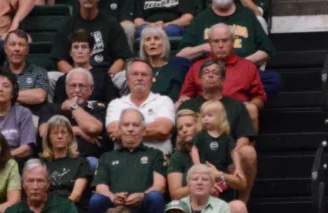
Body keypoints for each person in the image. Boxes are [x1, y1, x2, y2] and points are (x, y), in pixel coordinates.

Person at [178, 58, 258, 203]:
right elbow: (181, 136)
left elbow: (244, 138)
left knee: (248, 152)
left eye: (215, 73)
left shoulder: (237, 106)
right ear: (199, 80)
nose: (210, 75)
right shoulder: (188, 105)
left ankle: (242, 204)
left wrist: (228, 155)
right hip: (197, 155)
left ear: (222, 80)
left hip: (227, 158)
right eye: (206, 72)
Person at [90, 109, 167, 213]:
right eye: (126, 125)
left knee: (155, 197)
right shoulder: (106, 157)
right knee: (96, 200)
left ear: (143, 130)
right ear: (119, 129)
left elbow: (160, 186)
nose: (130, 129)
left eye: (135, 125)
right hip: (113, 207)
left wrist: (143, 195)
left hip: (143, 205)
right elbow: (100, 186)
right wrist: (113, 197)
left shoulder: (155, 154)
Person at [178, 0, 280, 99]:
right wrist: (203, 48)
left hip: (242, 73)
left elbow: (267, 50)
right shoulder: (201, 18)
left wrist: (242, 64)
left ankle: (240, 102)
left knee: (273, 79)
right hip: (210, 72)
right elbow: (181, 55)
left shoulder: (248, 15)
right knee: (179, 68)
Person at [179, 25, 266, 130]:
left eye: (225, 41)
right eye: (216, 41)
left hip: (236, 115)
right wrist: (184, 100)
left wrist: (249, 106)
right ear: (209, 43)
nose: (220, 45)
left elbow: (259, 97)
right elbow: (185, 95)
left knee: (251, 109)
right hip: (204, 115)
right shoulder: (197, 67)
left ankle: (246, 141)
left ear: (233, 42)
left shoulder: (248, 66)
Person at [50, 0, 131, 92]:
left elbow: (120, 58)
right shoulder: (67, 25)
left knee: (126, 76)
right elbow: (60, 60)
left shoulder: (112, 24)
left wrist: (106, 79)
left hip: (106, 76)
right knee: (51, 77)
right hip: (73, 76)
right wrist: (77, 78)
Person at [107, 58, 176, 156]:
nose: (139, 78)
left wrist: (126, 132)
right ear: (127, 79)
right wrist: (150, 131)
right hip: (123, 160)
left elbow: (162, 129)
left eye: (144, 74)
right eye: (135, 74)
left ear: (151, 79)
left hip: (158, 159)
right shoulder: (116, 104)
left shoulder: (164, 101)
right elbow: (113, 131)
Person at [41, 70, 108, 162]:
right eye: (73, 86)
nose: (77, 90)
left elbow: (93, 128)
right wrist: (78, 131)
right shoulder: (51, 108)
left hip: (87, 162)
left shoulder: (97, 109)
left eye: (82, 86)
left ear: (91, 89)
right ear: (66, 88)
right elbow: (44, 132)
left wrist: (73, 106)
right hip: (55, 162)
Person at [53, 30, 118, 106]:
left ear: (91, 52)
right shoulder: (63, 79)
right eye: (76, 47)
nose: (80, 51)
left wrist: (93, 105)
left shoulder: (103, 77)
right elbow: (57, 107)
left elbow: (113, 104)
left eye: (84, 47)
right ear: (70, 53)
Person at [39, 116, 95, 204]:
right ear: (49, 138)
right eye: (55, 133)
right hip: (47, 207)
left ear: (70, 137)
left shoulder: (81, 162)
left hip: (71, 206)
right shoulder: (41, 165)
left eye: (63, 132)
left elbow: (76, 195)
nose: (60, 136)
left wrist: (61, 208)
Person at [0, 30, 49, 117]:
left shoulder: (39, 71)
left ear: (27, 50)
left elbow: (40, 96)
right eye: (13, 44)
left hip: (32, 118)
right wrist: (25, 97)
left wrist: (6, 95)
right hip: (4, 118)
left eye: (21, 45)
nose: (17, 49)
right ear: (5, 49)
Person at [140, 26, 185, 103]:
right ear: (143, 46)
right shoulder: (138, 70)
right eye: (148, 39)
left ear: (164, 44)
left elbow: (173, 100)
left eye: (156, 38)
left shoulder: (175, 71)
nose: (152, 42)